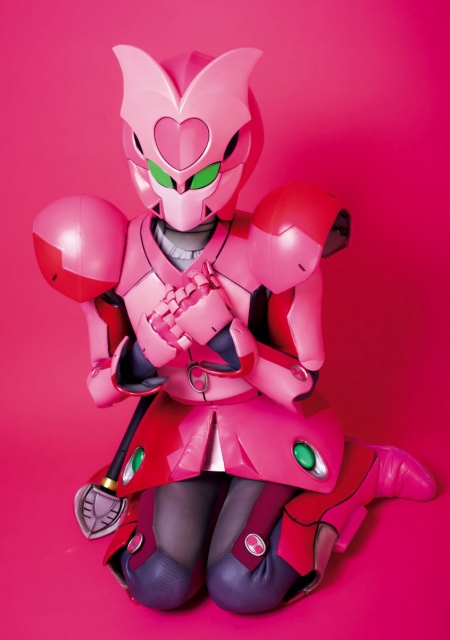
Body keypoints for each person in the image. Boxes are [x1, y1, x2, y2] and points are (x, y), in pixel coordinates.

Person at [33, 46, 435, 613]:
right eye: (162, 173)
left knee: (244, 582)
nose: (180, 191)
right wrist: (141, 358)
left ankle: (359, 472)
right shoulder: (112, 249)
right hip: (175, 430)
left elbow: (303, 381)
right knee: (158, 582)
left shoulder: (272, 243)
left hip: (266, 422)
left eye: (199, 174)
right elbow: (100, 384)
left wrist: (229, 340)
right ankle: (156, 504)